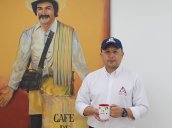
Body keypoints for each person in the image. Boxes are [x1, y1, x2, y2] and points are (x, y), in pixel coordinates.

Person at [0, 0, 89, 128]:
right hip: (37, 93)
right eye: (40, 8)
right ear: (36, 11)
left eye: (48, 8)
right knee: (37, 123)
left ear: (55, 11)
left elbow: (80, 64)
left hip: (61, 91)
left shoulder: (69, 32)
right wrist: (11, 87)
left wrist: (93, 88)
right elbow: (20, 63)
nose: (43, 12)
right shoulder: (28, 34)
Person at [75, 37, 149, 128]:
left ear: (122, 54)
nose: (111, 55)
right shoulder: (90, 78)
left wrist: (124, 112)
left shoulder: (134, 78)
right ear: (101, 55)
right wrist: (92, 111)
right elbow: (79, 103)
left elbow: (143, 107)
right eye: (107, 52)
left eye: (115, 51)